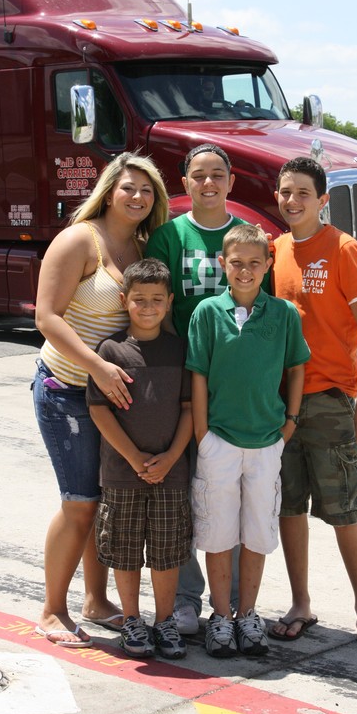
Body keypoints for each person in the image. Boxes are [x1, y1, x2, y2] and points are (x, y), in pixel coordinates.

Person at [32, 153, 169, 648]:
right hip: (66, 389)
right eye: (129, 187)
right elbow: (46, 317)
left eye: (147, 190)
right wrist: (97, 365)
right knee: (80, 503)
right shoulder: (78, 239)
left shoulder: (143, 246)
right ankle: (52, 610)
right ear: (109, 191)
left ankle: (96, 601)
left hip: (111, 394)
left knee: (103, 500)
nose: (138, 197)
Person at [270, 156, 357, 649]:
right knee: (289, 507)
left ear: (323, 200)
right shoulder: (275, 249)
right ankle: (300, 602)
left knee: (345, 508)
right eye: (285, 192)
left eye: (303, 192)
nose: (293, 200)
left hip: (331, 400)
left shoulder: (343, 249)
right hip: (282, 405)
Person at [186, 224, 310, 657]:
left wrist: (289, 423)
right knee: (218, 532)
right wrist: (203, 435)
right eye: (236, 262)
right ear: (222, 263)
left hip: (267, 441)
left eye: (255, 263)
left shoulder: (284, 313)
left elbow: (296, 368)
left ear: (268, 265)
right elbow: (198, 374)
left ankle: (247, 613)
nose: (245, 271)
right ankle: (221, 616)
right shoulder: (206, 312)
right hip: (219, 440)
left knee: (257, 531)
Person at [145, 142, 249, 635]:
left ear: (231, 181)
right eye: (199, 175)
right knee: (182, 489)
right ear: (184, 183)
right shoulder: (169, 236)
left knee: (228, 492)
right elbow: (158, 308)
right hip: (181, 379)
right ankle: (186, 598)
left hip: (232, 385)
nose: (209, 183)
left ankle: (233, 600)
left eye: (217, 175)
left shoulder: (247, 236)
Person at [86, 258, 193, 659]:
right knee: (125, 549)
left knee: (167, 551)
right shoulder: (109, 350)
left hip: (171, 473)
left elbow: (189, 409)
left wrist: (171, 457)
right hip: (121, 472)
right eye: (139, 299)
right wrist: (134, 458)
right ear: (123, 300)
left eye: (156, 299)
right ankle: (132, 619)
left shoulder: (180, 349)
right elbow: (99, 410)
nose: (148, 307)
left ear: (169, 302)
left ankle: (164, 621)